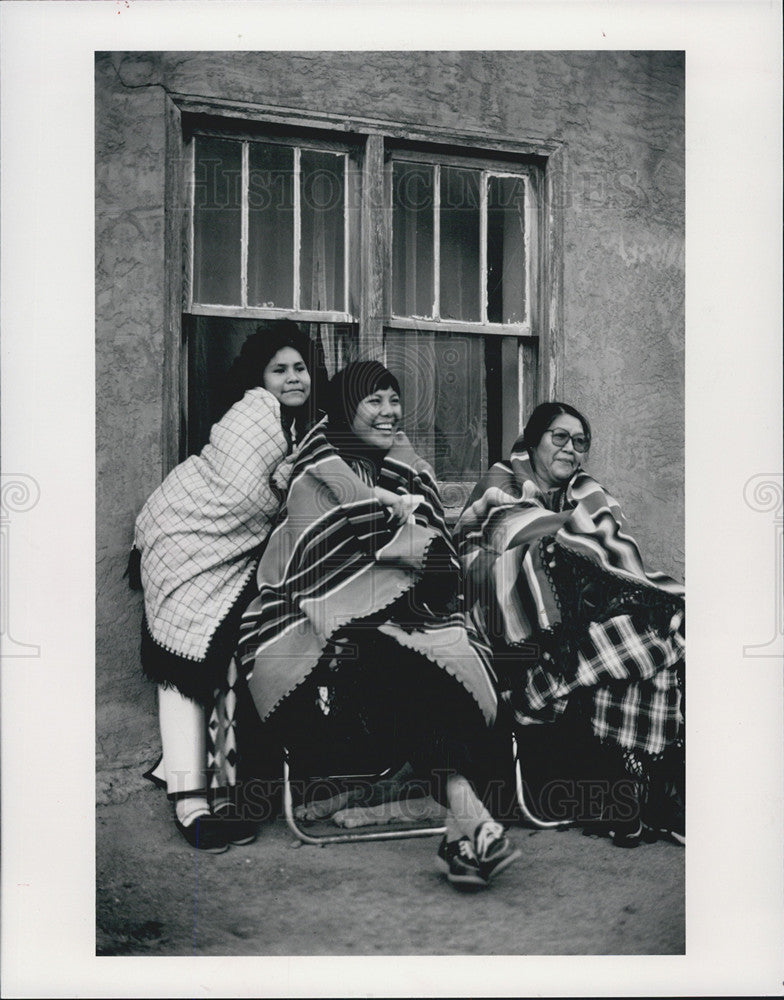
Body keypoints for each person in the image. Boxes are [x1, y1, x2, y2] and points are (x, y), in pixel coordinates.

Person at [238, 361, 520, 888]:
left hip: (395, 613)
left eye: (394, 400)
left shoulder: (405, 464)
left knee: (443, 653)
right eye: (375, 401)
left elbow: (433, 545)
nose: (389, 412)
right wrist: (386, 548)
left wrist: (404, 560)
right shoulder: (320, 467)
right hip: (306, 613)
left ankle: (464, 830)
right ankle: (467, 815)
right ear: (349, 406)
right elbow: (307, 563)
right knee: (390, 659)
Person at [130, 320, 326, 852]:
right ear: (260, 377)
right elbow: (240, 494)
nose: (292, 378)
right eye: (279, 369)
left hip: (221, 552)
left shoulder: (296, 425)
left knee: (219, 664)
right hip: (182, 539)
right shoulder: (255, 414)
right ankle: (190, 803)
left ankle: (217, 794)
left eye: (300, 368)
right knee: (181, 667)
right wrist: (283, 489)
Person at [453, 401, 686, 846]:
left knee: (659, 627)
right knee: (659, 637)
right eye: (559, 437)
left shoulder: (586, 493)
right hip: (519, 643)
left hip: (582, 637)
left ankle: (627, 794)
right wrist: (555, 555)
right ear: (534, 440)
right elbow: (475, 565)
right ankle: (652, 790)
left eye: (580, 442)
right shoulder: (501, 484)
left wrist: (568, 560)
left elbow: (619, 565)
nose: (571, 449)